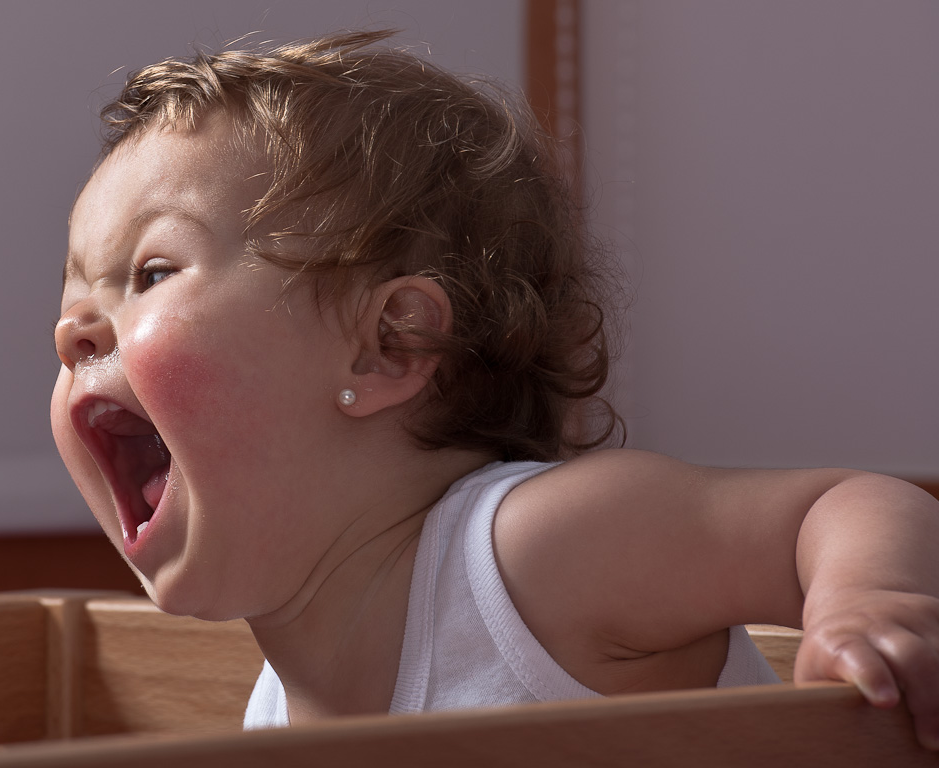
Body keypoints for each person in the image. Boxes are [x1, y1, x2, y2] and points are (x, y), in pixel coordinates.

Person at [50, 31, 939, 748]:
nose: (73, 330)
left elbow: (841, 503)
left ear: (389, 345)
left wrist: (872, 605)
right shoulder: (275, 708)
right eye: (75, 296)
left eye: (152, 272)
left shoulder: (533, 557)